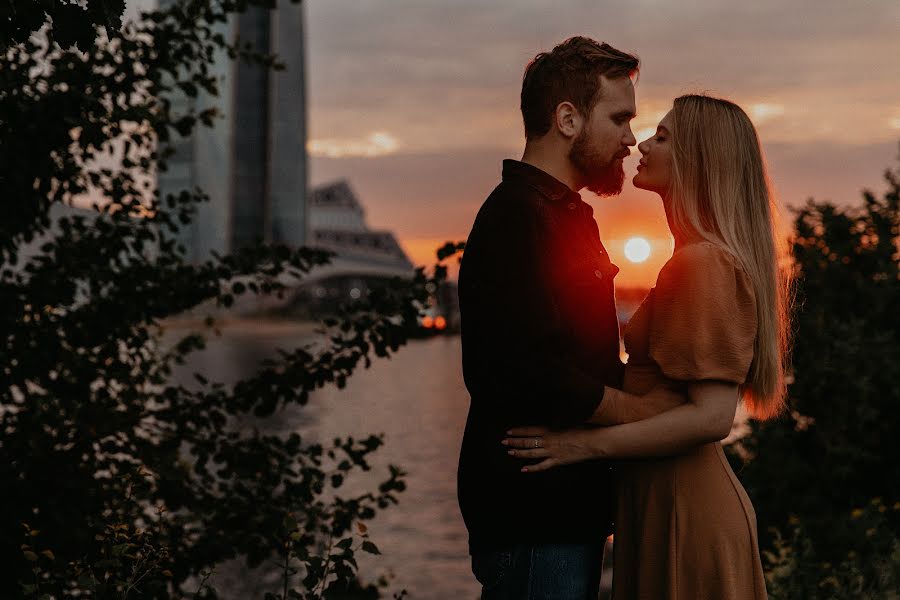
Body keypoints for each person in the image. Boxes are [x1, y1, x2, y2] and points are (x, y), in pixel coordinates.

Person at [504, 95, 794, 599]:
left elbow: (711, 418)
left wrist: (583, 445)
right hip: (663, 502)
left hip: (685, 510)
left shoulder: (701, 263)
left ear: (699, 160)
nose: (641, 144)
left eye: (662, 137)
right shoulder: (692, 259)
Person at [457, 37, 682, 599]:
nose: (631, 138)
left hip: (562, 509)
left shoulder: (566, 214)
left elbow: (583, 354)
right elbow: (527, 371)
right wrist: (641, 413)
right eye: (619, 118)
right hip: (533, 513)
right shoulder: (516, 216)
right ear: (567, 119)